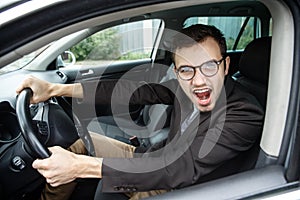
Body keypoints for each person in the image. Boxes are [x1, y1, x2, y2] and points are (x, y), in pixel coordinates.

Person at [16, 24, 264, 200]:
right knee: (80, 144)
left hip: (180, 187)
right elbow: (128, 91)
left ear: (226, 65)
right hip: (152, 158)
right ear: (177, 73)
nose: (198, 81)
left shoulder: (244, 113)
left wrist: (81, 167)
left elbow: (178, 168)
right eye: (187, 70)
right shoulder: (183, 87)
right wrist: (55, 88)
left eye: (209, 66)